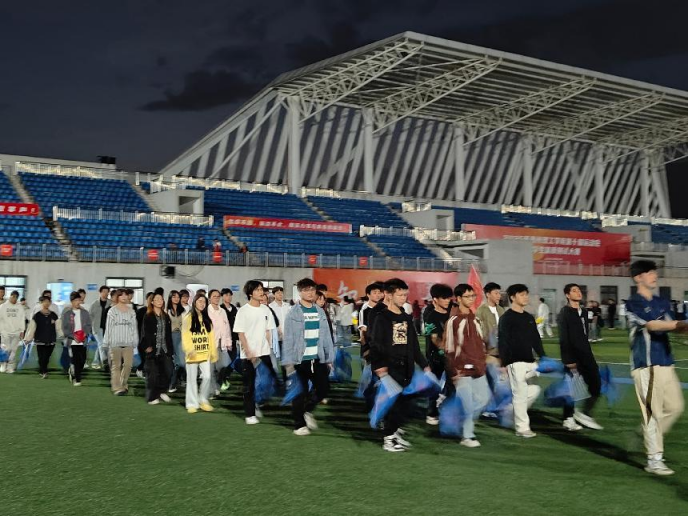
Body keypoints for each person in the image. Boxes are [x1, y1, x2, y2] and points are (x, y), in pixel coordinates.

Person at [626, 260, 687, 476]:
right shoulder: (633, 303)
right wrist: (680, 324)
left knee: (676, 407)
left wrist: (684, 328)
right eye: (649, 272)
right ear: (638, 278)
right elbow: (652, 325)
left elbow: (673, 326)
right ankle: (654, 459)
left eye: (654, 272)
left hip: (666, 362)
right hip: (647, 363)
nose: (654, 276)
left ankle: (645, 435)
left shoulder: (662, 302)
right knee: (653, 413)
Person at [370, 278, 429, 452]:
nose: (403, 298)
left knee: (405, 404)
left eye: (405, 295)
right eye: (400, 295)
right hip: (390, 368)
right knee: (394, 405)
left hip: (406, 367)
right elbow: (376, 344)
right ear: (389, 295)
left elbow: (414, 344)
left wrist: (424, 364)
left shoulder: (405, 317)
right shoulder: (382, 317)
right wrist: (381, 369)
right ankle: (388, 439)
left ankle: (394, 432)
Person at [282, 278, 335, 436]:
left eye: (312, 289)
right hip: (299, 360)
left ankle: (307, 410)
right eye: (306, 290)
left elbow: (326, 336)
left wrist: (329, 358)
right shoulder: (293, 313)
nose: (310, 293)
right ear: (300, 292)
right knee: (300, 393)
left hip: (317, 358)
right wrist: (288, 362)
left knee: (324, 389)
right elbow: (288, 338)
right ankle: (299, 425)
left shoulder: (320, 311)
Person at [446, 284, 491, 448]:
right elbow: (449, 348)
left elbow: (481, 344)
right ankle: (467, 436)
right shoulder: (453, 321)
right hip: (461, 370)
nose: (471, 299)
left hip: (478, 368)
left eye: (473, 296)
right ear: (458, 299)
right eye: (467, 296)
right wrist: (453, 371)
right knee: (468, 405)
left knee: (484, 399)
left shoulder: (476, 319)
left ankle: (457, 420)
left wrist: (483, 361)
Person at [498, 284, 545, 439]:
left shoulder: (529, 317)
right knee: (520, 394)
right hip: (515, 362)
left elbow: (536, 340)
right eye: (522, 294)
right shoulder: (506, 318)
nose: (526, 297)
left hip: (530, 361)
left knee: (534, 390)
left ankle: (509, 411)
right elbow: (503, 341)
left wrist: (543, 357)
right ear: (513, 297)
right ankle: (522, 428)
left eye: (526, 294)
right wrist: (504, 363)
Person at [558, 284, 603, 432]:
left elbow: (584, 334)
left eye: (579, 290)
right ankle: (568, 419)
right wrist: (568, 360)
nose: (578, 293)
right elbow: (564, 338)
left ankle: (585, 413)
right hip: (572, 356)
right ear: (567, 295)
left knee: (596, 383)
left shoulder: (583, 311)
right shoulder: (564, 313)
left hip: (586, 354)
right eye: (574, 291)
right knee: (571, 388)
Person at [233, 280, 277, 425]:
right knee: (249, 385)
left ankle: (258, 402)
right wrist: (248, 351)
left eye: (261, 289)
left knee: (269, 380)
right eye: (257, 290)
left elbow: (268, 330)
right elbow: (240, 333)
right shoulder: (243, 311)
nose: (261, 292)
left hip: (264, 352)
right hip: (249, 355)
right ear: (250, 293)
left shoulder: (266, 310)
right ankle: (250, 414)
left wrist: (269, 346)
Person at [423, 283, 453, 426]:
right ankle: (432, 412)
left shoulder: (451, 313)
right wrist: (446, 348)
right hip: (435, 356)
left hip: (451, 356)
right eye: (444, 298)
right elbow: (434, 338)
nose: (447, 301)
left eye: (449, 298)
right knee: (434, 385)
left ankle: (443, 401)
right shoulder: (430, 316)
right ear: (435, 299)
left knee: (454, 383)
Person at [182, 293, 217, 414]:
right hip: (192, 354)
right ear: (194, 302)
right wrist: (189, 349)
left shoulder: (207, 319)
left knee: (207, 376)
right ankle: (192, 403)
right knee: (191, 379)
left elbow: (211, 337)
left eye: (204, 302)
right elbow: (185, 335)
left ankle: (203, 400)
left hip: (205, 353)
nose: (202, 304)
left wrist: (213, 352)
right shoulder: (188, 318)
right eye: (200, 301)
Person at [103, 289, 139, 396]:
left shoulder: (131, 311)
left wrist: (135, 341)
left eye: (125, 295)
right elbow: (108, 327)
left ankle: (123, 383)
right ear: (117, 297)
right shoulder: (112, 311)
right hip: (115, 342)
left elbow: (134, 328)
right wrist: (106, 342)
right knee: (116, 366)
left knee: (128, 365)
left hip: (128, 343)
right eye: (121, 295)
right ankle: (117, 387)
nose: (124, 297)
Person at [141, 292, 174, 406]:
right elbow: (144, 333)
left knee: (169, 370)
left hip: (165, 349)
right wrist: (146, 346)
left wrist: (170, 349)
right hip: (153, 349)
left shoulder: (166, 316)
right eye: (157, 299)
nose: (160, 301)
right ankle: (152, 397)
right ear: (152, 302)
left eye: (161, 299)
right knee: (153, 374)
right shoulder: (148, 316)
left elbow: (168, 335)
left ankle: (161, 391)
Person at [61, 292, 93, 386]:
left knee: (82, 360)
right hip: (72, 341)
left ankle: (73, 371)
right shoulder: (67, 314)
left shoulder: (85, 313)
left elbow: (89, 325)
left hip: (83, 340)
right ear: (71, 302)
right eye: (76, 300)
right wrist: (73, 336)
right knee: (76, 359)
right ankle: (77, 379)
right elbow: (65, 328)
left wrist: (85, 334)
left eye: (79, 300)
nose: (78, 302)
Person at [208, 289, 233, 395]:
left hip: (221, 343)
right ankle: (212, 390)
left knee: (223, 365)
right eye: (214, 296)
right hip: (210, 344)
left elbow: (226, 327)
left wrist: (228, 342)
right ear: (209, 298)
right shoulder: (206, 311)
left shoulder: (222, 311)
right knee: (210, 369)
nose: (216, 298)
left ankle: (217, 385)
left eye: (218, 296)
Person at [476, 282, 505, 368]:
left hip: (502, 350)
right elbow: (478, 331)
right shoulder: (480, 311)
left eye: (499, 293)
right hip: (489, 351)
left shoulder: (501, 310)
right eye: (496, 293)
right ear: (488, 294)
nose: (499, 296)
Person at [0, 290, 28, 374]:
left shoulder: (20, 307)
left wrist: (22, 330)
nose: (14, 299)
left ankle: (10, 366)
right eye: (13, 297)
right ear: (10, 296)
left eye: (16, 297)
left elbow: (22, 319)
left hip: (16, 331)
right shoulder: (3, 306)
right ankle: (3, 364)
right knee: (6, 349)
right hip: (5, 331)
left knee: (13, 349)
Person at [32, 296, 59, 378]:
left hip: (51, 339)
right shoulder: (37, 315)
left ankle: (43, 370)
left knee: (47, 356)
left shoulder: (53, 315)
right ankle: (44, 371)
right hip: (40, 339)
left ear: (50, 303)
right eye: (44, 301)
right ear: (41, 303)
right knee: (41, 357)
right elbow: (32, 327)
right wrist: (29, 337)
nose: (46, 303)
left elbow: (58, 326)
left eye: (48, 301)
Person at [358, 282, 385, 362]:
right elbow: (363, 330)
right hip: (370, 347)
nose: (378, 295)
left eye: (379, 293)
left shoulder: (384, 309)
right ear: (368, 295)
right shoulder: (364, 310)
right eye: (375, 293)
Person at [167, 290, 186, 393]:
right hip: (170, 337)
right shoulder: (167, 311)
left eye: (178, 297)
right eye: (174, 297)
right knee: (173, 362)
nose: (176, 299)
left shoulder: (182, 310)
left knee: (180, 362)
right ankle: (172, 383)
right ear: (170, 298)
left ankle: (174, 382)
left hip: (181, 336)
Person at [89, 285, 111, 369]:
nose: (105, 293)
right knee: (101, 344)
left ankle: (95, 361)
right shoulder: (94, 304)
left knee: (101, 344)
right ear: (100, 292)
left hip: (107, 328)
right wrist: (89, 329)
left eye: (107, 292)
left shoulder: (110, 303)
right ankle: (104, 361)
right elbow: (90, 316)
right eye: (104, 292)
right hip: (97, 328)